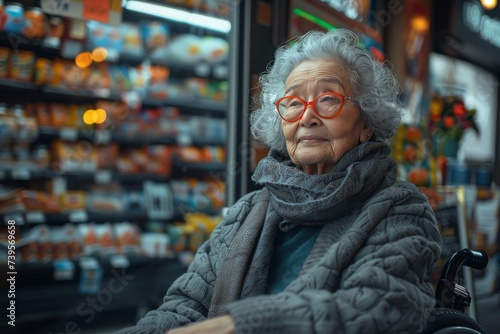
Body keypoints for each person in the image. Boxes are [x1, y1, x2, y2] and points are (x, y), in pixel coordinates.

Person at [117, 28, 442, 334]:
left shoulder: (401, 210)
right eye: (293, 103)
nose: (307, 116)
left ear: (366, 123)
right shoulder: (248, 211)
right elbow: (184, 307)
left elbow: (375, 309)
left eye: (329, 99)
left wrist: (237, 325)